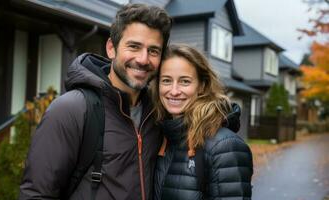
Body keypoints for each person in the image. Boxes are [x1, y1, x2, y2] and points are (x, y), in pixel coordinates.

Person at [19, 4, 172, 200]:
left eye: (153, 51)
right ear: (111, 48)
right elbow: (36, 194)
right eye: (134, 46)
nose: (143, 59)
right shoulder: (72, 110)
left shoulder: (158, 112)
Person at [152, 44, 253, 200]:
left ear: (202, 86)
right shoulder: (164, 136)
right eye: (166, 80)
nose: (173, 91)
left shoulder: (224, 145)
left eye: (184, 81)